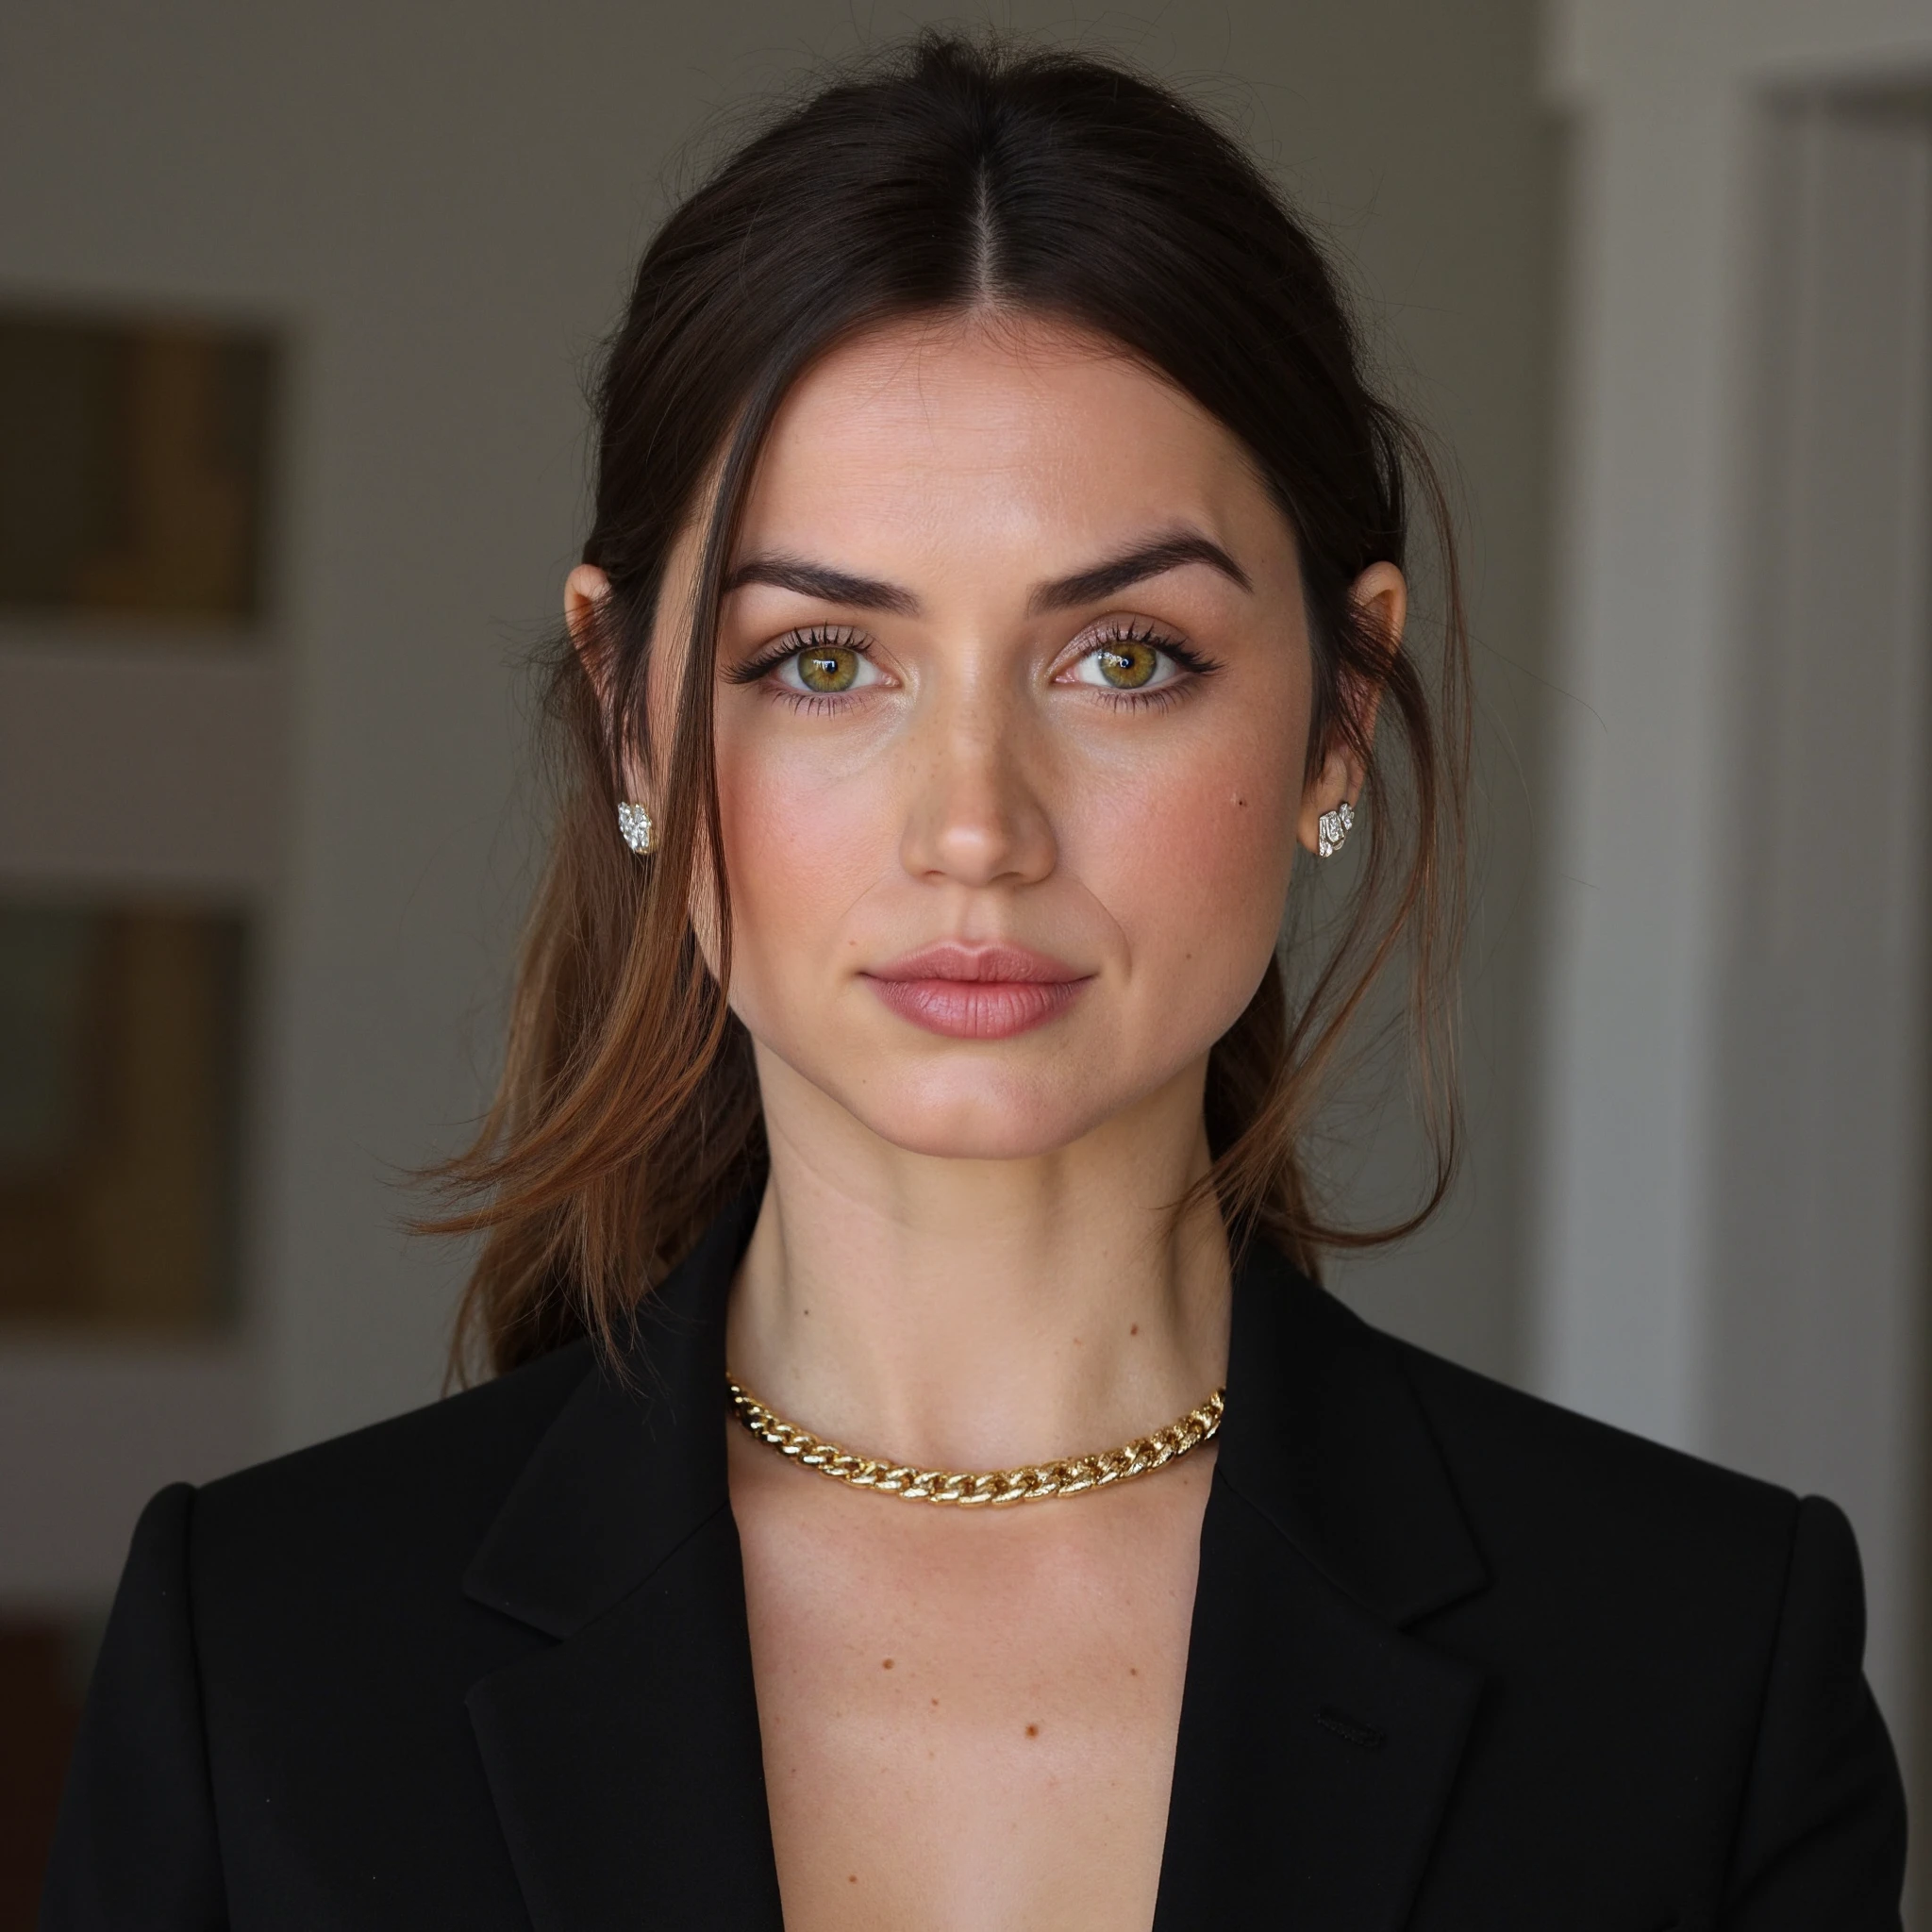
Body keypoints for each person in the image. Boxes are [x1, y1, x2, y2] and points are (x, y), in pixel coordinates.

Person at [43, 34, 1906, 1931]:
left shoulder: (1690, 1673)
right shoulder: (261, 1665)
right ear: (626, 710)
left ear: (1342, 705)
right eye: (824, 661)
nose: (973, 826)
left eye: (1122, 656)